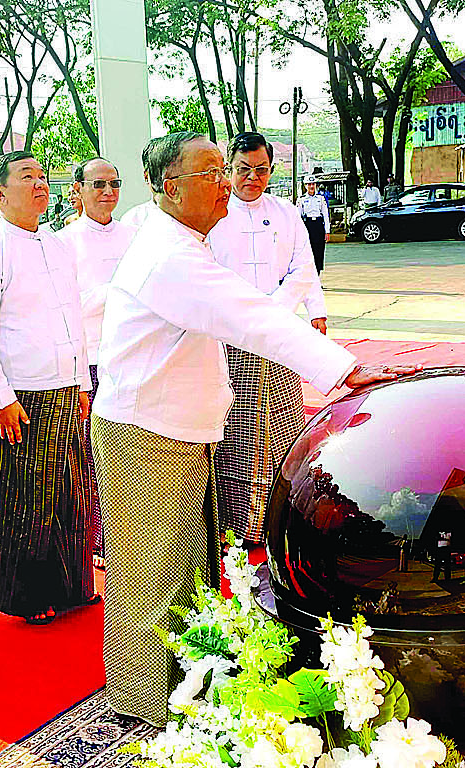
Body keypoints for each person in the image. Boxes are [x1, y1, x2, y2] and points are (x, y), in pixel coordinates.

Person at [91, 132, 416, 726]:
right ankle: (146, 705)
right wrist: (342, 369)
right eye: (211, 173)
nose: (226, 183)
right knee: (152, 578)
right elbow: (252, 316)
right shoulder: (170, 255)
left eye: (225, 169)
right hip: (145, 435)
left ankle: (180, 688)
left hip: (178, 429)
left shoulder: (186, 242)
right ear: (172, 187)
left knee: (184, 569)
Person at [0, 152, 96, 625]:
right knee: (26, 497)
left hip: (66, 387)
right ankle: (24, 596)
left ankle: (73, 585)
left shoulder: (58, 245)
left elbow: (74, 318)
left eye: (42, 176)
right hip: (21, 395)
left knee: (72, 493)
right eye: (27, 177)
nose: (40, 184)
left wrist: (81, 384)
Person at [209, 132, 327, 549]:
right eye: (243, 169)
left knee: (283, 428)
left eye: (261, 170)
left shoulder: (285, 212)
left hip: (278, 332)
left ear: (271, 170)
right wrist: (248, 315)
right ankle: (236, 525)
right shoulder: (214, 213)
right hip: (230, 337)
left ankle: (280, 518)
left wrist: (311, 309)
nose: (252, 178)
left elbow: (304, 266)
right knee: (237, 435)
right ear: (229, 168)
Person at [56, 157, 136, 570]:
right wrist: (120, 289)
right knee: (91, 456)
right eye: (98, 184)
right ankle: (99, 540)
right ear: (78, 190)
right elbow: (69, 305)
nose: (107, 192)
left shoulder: (134, 236)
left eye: (114, 184)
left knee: (130, 453)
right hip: (89, 360)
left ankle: (131, 535)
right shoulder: (63, 243)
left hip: (132, 357)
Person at [298, 177, 330, 272]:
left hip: (318, 225)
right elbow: (298, 217)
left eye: (313, 184)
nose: (311, 186)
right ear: (305, 186)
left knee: (319, 251)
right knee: (308, 252)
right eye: (309, 184)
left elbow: (325, 215)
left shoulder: (321, 198)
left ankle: (317, 274)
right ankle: (309, 275)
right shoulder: (302, 199)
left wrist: (327, 231)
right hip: (308, 225)